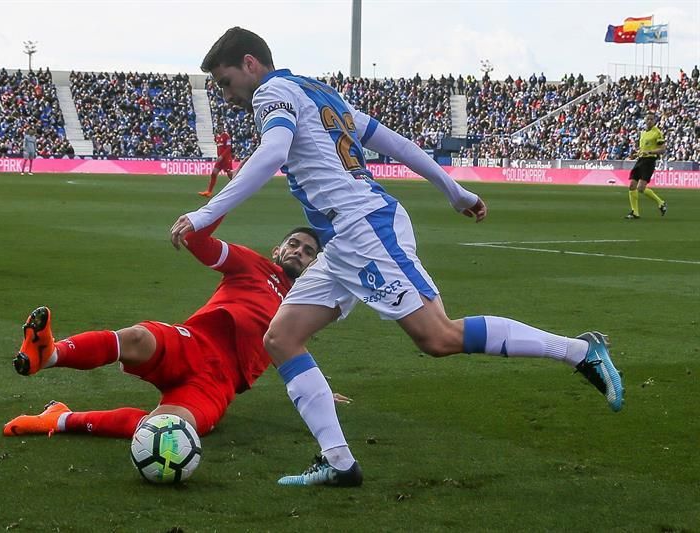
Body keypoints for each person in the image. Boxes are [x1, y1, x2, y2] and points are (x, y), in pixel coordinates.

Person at [170, 27, 625, 487]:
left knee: (438, 336)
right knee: (282, 338)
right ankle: (340, 463)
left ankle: (580, 351)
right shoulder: (318, 92)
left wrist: (206, 213)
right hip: (344, 236)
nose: (226, 95)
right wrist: (455, 191)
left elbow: (272, 154)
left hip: (364, 228)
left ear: (250, 64)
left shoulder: (272, 93)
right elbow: (397, 143)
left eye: (225, 82)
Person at [4, 220, 322, 439]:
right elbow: (198, 241)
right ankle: (49, 354)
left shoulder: (301, 305)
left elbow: (292, 350)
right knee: (138, 337)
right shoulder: (253, 264)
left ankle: (60, 419)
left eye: (308, 252)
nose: (299, 252)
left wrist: (315, 388)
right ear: (277, 250)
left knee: (163, 430)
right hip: (193, 342)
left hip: (218, 381)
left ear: (313, 265)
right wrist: (222, 203)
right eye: (293, 244)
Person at [625, 111, 667, 219]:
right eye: (647, 119)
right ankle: (635, 212)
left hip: (649, 161)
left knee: (640, 188)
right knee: (632, 186)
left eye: (651, 119)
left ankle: (661, 202)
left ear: (654, 121)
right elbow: (643, 149)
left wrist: (651, 152)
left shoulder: (657, 133)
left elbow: (662, 150)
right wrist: (636, 153)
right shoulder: (643, 132)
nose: (649, 121)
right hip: (640, 160)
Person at [199, 121, 234, 197]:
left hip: (226, 159)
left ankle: (238, 186)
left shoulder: (226, 136)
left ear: (223, 127)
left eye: (220, 127)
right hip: (220, 160)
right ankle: (209, 191)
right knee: (214, 173)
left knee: (230, 174)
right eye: (218, 127)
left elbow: (228, 148)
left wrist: (222, 156)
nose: (219, 128)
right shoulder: (217, 137)